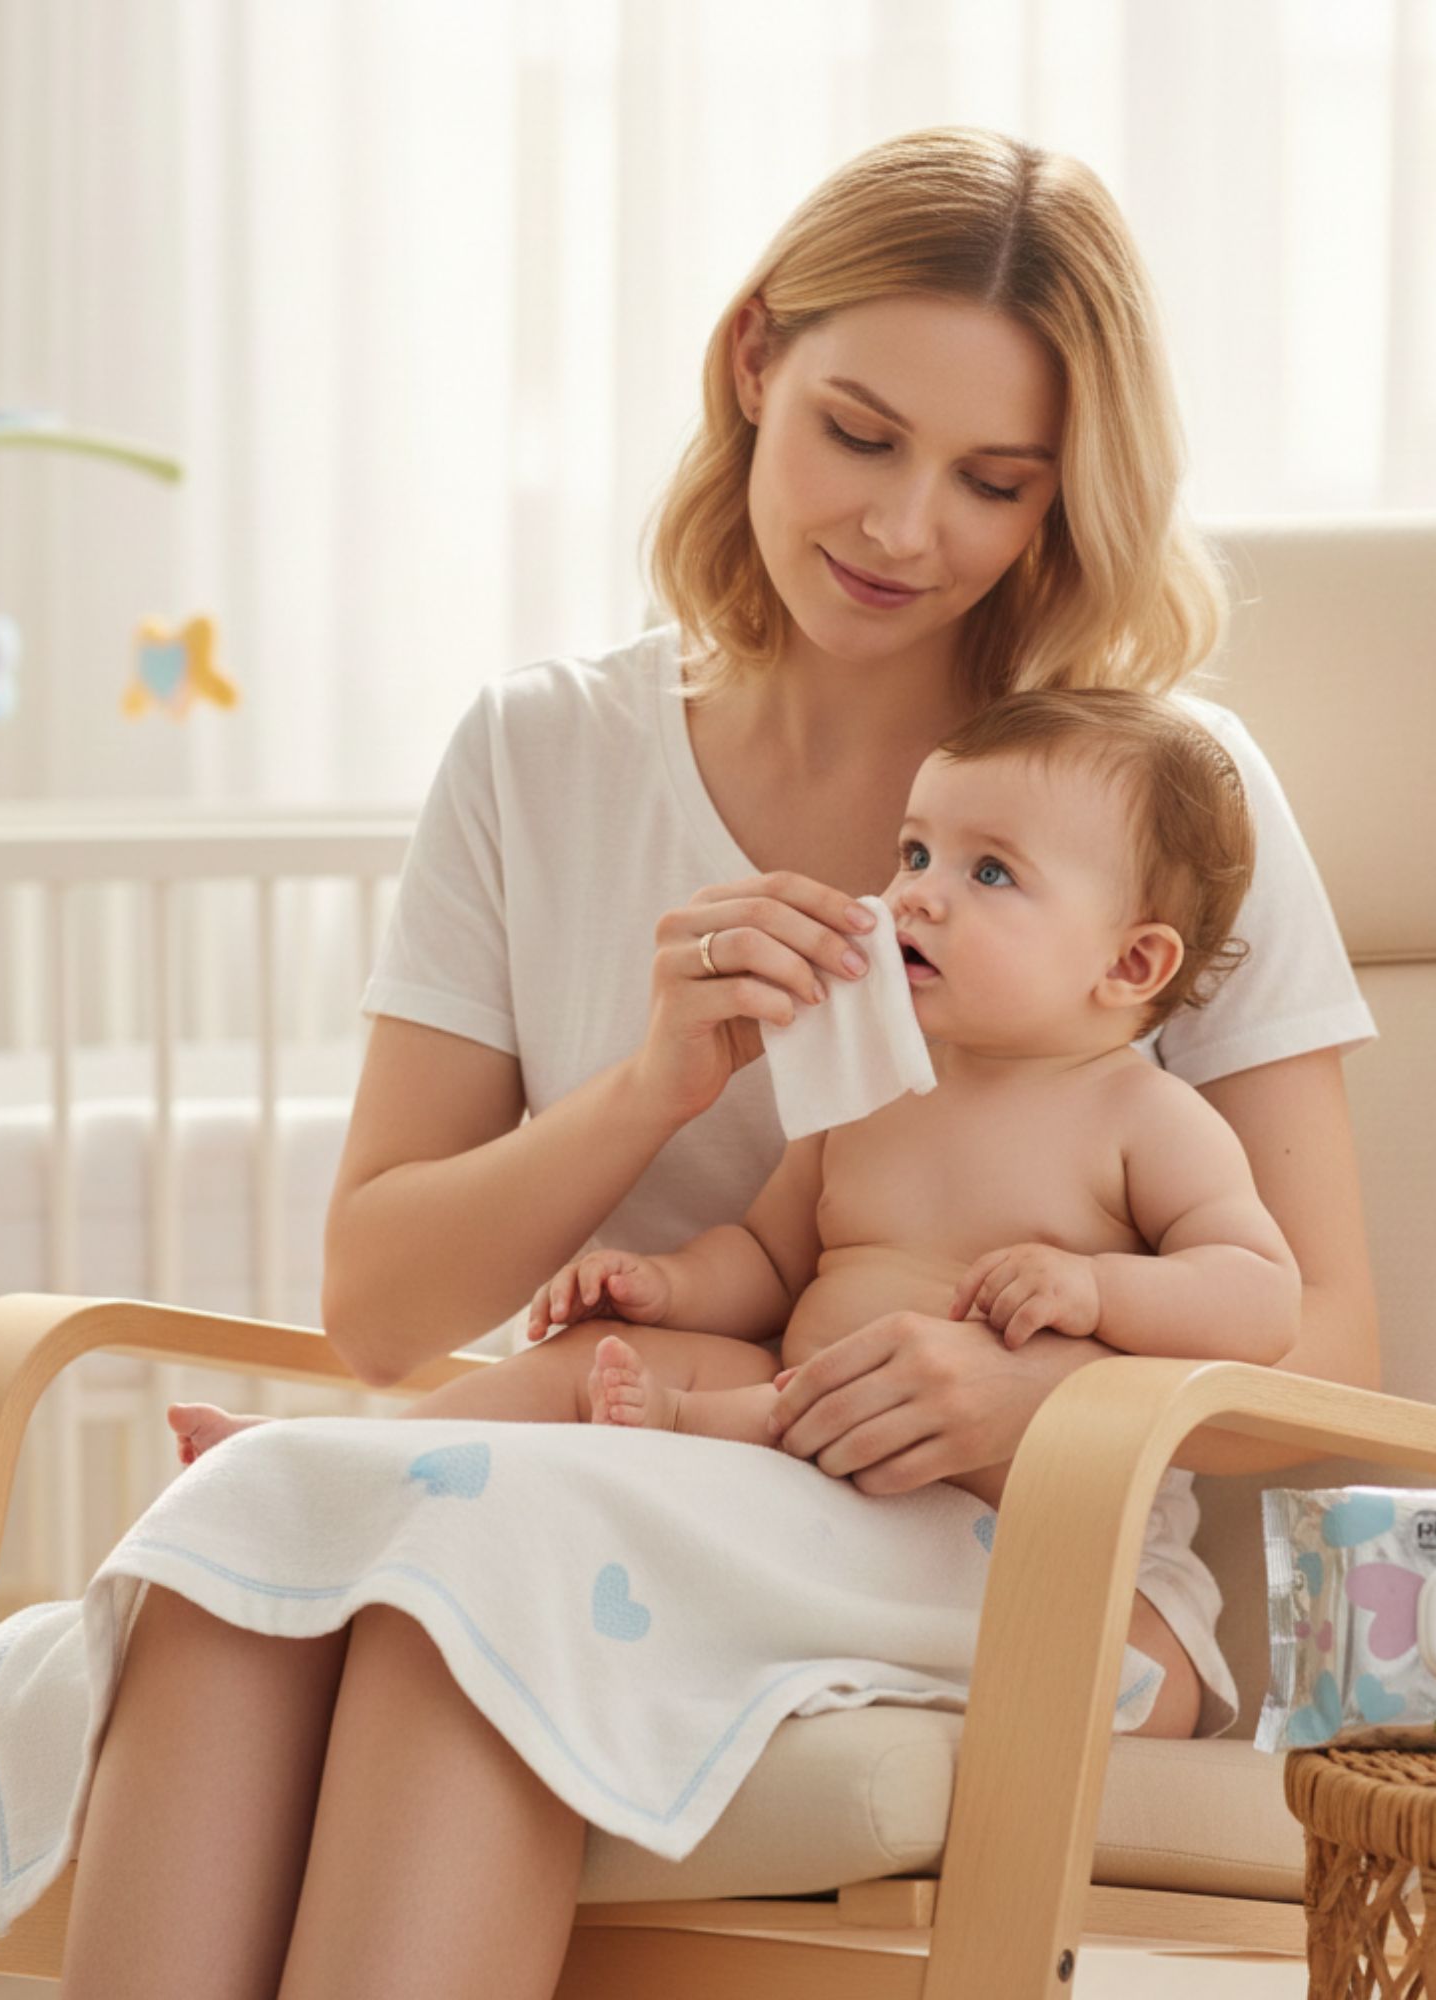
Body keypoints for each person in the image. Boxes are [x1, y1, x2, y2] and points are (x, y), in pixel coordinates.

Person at [57, 125, 1380, 2000]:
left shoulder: (1152, 807)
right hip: (625, 1460)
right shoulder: (538, 755)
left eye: (994, 482)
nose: (908, 529)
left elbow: (1330, 1336)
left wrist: (1033, 1388)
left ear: (1061, 498)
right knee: (241, 1550)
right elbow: (376, 1310)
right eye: (859, 433)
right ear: (754, 361)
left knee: (459, 1568)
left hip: (992, 1537)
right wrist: (651, 1089)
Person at [163, 690, 1299, 1735]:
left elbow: (1260, 1294)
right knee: (608, 1352)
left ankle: (640, 1438)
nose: (916, 890)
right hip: (801, 1453)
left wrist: (1100, 1290)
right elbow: (769, 1253)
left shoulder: (1142, 1116)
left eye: (989, 872)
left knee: (744, 1406)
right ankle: (337, 1471)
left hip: (1010, 1510)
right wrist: (668, 1283)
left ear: (1130, 959)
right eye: (914, 851)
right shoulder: (872, 1092)